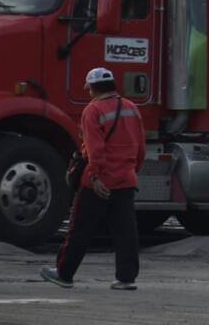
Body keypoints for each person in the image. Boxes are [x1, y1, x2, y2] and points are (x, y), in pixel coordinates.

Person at [41, 67, 146, 290]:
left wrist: (96, 177)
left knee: (80, 228)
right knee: (125, 232)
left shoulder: (93, 110)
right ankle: (126, 278)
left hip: (99, 181)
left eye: (88, 88)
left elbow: (95, 149)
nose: (87, 92)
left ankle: (64, 273)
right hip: (126, 179)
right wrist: (131, 170)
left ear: (94, 88)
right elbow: (141, 148)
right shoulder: (132, 108)